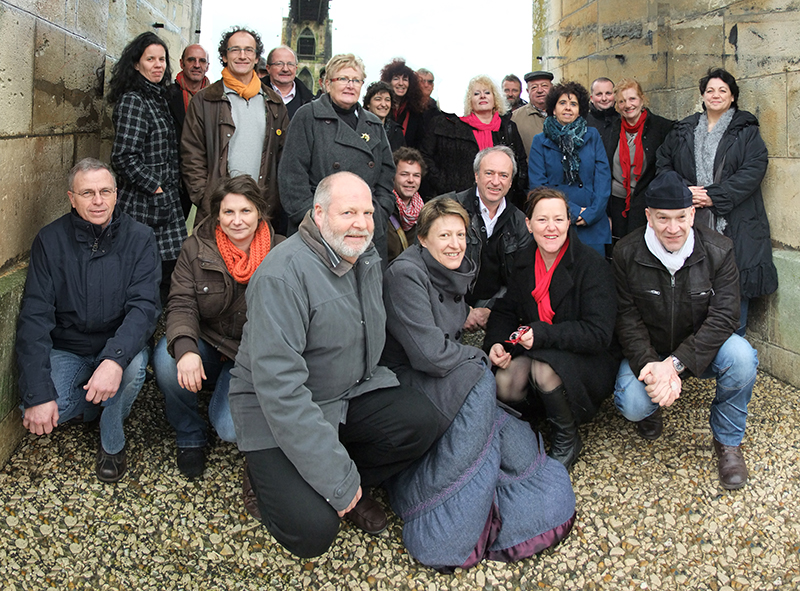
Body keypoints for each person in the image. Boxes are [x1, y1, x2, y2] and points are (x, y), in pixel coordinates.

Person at [228, 172, 439, 558]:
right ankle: (278, 477)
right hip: (277, 410)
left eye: (368, 213)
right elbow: (281, 391)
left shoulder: (363, 255)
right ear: (319, 214)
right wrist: (335, 479)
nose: (361, 223)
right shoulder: (282, 275)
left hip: (345, 391)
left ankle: (342, 480)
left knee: (422, 422)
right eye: (348, 212)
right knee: (313, 531)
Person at [381, 197, 576, 571]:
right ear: (422, 239)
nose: (455, 244)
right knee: (483, 390)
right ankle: (450, 522)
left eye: (460, 234)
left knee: (520, 450)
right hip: (412, 378)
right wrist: (479, 360)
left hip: (446, 371)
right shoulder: (405, 275)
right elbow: (429, 354)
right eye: (444, 235)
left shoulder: (452, 269)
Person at [16, 158, 160, 482]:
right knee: (37, 409)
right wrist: (38, 393)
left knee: (133, 369)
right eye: (87, 193)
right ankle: (96, 402)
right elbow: (35, 316)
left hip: (118, 343)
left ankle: (112, 440)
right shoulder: (49, 240)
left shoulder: (140, 238)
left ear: (116, 194)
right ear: (72, 198)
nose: (98, 201)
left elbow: (144, 307)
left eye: (105, 191)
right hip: (69, 347)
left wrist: (114, 360)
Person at [612, 171, 759, 490]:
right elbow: (626, 318)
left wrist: (675, 364)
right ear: (648, 216)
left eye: (681, 217)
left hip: (700, 349)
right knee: (633, 405)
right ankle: (652, 406)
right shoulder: (625, 252)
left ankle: (728, 441)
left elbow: (725, 316)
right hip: (650, 352)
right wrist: (652, 367)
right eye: (663, 218)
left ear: (692, 214)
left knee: (742, 357)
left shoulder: (719, 249)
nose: (673, 228)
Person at [153, 175, 278, 479]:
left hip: (249, 354)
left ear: (259, 212)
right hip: (209, 341)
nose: (237, 220)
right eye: (228, 212)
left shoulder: (282, 251)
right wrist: (186, 350)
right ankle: (189, 432)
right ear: (217, 215)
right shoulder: (195, 248)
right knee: (167, 359)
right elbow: (181, 302)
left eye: (245, 211)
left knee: (229, 428)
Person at [484, 187, 618, 468]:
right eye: (542, 220)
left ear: (569, 222)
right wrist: (496, 343)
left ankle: (567, 437)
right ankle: (532, 424)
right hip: (540, 348)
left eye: (558, 219)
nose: (551, 227)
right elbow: (505, 310)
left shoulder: (591, 265)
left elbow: (599, 333)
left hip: (585, 357)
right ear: (528, 224)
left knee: (543, 369)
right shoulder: (523, 261)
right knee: (505, 382)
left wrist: (542, 335)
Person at [656, 67, 777, 334]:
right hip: (691, 219)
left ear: (732, 96)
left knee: (733, 283)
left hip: (735, 221)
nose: (716, 95)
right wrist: (685, 192)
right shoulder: (684, 129)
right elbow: (663, 163)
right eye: (710, 90)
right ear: (702, 95)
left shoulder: (746, 130)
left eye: (723, 90)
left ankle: (734, 342)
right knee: (693, 284)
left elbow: (754, 169)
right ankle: (697, 347)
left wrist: (714, 196)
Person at [278, 53, 395, 262]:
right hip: (319, 231)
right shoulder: (308, 116)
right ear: (327, 83)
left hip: (365, 229)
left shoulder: (373, 124)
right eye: (342, 79)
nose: (350, 85)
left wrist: (378, 212)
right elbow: (292, 177)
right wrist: (317, 222)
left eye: (356, 80)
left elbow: (387, 176)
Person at [181, 27, 289, 226]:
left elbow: (284, 157)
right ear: (224, 56)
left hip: (261, 211)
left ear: (256, 58)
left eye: (249, 50)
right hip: (217, 211)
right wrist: (206, 198)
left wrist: (273, 201)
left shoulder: (274, 103)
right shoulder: (204, 100)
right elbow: (191, 155)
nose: (242, 56)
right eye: (235, 50)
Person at [108, 32, 186, 303]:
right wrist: (155, 187)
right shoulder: (134, 100)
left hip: (165, 203)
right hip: (143, 205)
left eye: (162, 59)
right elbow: (123, 157)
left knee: (167, 273)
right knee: (143, 273)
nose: (158, 65)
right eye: (150, 59)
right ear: (136, 64)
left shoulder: (159, 98)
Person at [449, 146, 532, 332]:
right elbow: (428, 270)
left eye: (503, 175)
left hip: (495, 309)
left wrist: (491, 309)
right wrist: (462, 310)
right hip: (447, 307)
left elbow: (522, 279)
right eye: (489, 173)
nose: (496, 181)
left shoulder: (519, 222)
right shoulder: (448, 209)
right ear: (476, 175)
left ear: (511, 182)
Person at [528, 81, 612, 255]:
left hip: (591, 221)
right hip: (556, 223)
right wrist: (572, 211)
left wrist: (591, 213)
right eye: (562, 103)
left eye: (573, 104)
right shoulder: (540, 141)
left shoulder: (592, 136)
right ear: (553, 109)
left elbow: (603, 178)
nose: (568, 108)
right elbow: (538, 185)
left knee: (593, 270)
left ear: (579, 110)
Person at [422, 76, 528, 210]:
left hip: (500, 201)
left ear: (495, 99)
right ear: (469, 101)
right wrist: (442, 182)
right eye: (477, 94)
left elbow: (520, 162)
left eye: (487, 92)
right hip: (459, 202)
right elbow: (426, 156)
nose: (482, 96)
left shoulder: (508, 127)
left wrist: (513, 191)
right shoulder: (453, 126)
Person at [596, 78, 673, 242]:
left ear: (642, 99)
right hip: (617, 203)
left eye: (632, 99)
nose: (627, 105)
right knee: (620, 248)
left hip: (647, 201)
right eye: (622, 101)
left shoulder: (662, 127)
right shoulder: (611, 129)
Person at [166, 43, 211, 217]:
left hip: (207, 176)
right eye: (191, 60)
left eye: (202, 61)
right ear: (181, 63)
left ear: (207, 66)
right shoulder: (166, 95)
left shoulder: (217, 98)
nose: (197, 65)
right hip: (175, 178)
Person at [387, 147, 425, 261]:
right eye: (404, 174)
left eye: (416, 175)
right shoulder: (382, 209)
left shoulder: (425, 213)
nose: (411, 180)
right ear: (393, 176)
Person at [380, 58, 427, 149]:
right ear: (388, 82)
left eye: (405, 79)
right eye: (396, 79)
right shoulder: (381, 107)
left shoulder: (416, 111)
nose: (401, 83)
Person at [263, 45, 314, 119]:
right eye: (279, 64)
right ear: (268, 68)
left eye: (290, 64)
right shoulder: (255, 94)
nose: (285, 69)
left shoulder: (310, 101)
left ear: (296, 68)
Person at [512, 70, 553, 156]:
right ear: (527, 91)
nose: (540, 90)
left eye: (544, 86)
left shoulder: (564, 113)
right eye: (534, 87)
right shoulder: (515, 118)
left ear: (552, 87)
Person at [363, 81, 405, 152]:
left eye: (387, 100)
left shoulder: (396, 131)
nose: (383, 104)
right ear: (368, 103)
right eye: (378, 99)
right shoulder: (359, 126)